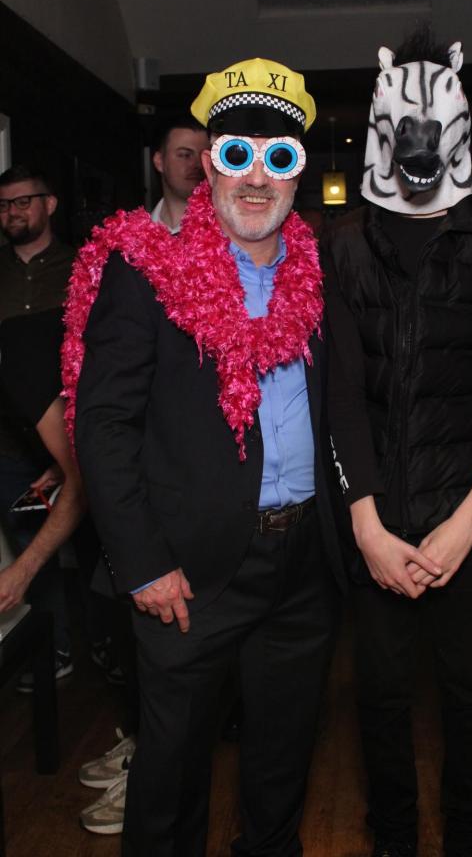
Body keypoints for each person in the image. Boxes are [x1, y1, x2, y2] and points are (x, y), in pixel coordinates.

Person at [63, 56, 347, 857]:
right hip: (187, 572)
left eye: (277, 159)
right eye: (236, 156)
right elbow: (103, 425)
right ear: (207, 169)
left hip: (304, 563)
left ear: (297, 175)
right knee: (171, 779)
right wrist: (142, 563)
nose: (256, 179)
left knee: (282, 762)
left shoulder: (320, 273)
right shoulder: (144, 272)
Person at [321, 29, 472, 857]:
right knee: (380, 695)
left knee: (468, 689)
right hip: (378, 519)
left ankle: (470, 840)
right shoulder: (344, 247)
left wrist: (466, 525)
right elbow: (340, 396)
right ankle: (391, 839)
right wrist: (366, 524)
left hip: (470, 515)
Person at [76, 113, 209, 836]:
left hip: (201, 487)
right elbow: (100, 387)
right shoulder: (124, 248)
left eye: (205, 154)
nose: (195, 165)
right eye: (183, 153)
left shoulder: (235, 243)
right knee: (131, 631)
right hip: (134, 481)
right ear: (159, 161)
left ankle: (158, 763)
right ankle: (143, 752)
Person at [0, 164, 77, 683]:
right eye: (4, 205)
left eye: (23, 201)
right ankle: (52, 653)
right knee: (32, 545)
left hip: (74, 434)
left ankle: (106, 647)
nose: (13, 212)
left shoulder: (82, 266)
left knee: (95, 551)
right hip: (10, 440)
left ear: (49, 204)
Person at [150, 115, 208, 232]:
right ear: (159, 161)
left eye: (204, 156)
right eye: (185, 155)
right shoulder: (135, 235)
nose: (198, 164)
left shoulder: (229, 232)